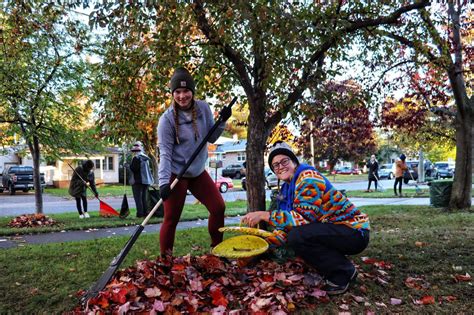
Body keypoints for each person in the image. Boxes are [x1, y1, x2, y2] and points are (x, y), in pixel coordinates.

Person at [241, 141, 370, 295]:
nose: (280, 166)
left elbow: (303, 218)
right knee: (296, 235)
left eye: (284, 161)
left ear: (295, 162)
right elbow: (287, 226)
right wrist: (259, 244)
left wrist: (263, 215)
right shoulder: (286, 189)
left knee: (298, 236)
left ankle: (343, 273)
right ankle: (338, 265)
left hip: (354, 231)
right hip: (335, 229)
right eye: (275, 165)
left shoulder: (308, 177)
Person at [157, 66, 232, 256]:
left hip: (197, 171)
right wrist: (164, 183)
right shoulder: (166, 120)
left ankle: (217, 250)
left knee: (218, 207)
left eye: (186, 91)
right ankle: (166, 261)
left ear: (192, 91)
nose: (182, 96)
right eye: (178, 92)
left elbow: (212, 138)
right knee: (171, 218)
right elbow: (165, 153)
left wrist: (221, 121)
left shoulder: (203, 108)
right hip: (177, 174)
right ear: (173, 93)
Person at [129, 141, 154, 218]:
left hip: (138, 181)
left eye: (134, 151)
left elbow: (134, 169)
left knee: (138, 198)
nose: (133, 152)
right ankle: (145, 212)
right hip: (146, 181)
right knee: (143, 198)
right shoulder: (145, 157)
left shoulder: (136, 158)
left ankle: (140, 214)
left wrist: (127, 166)